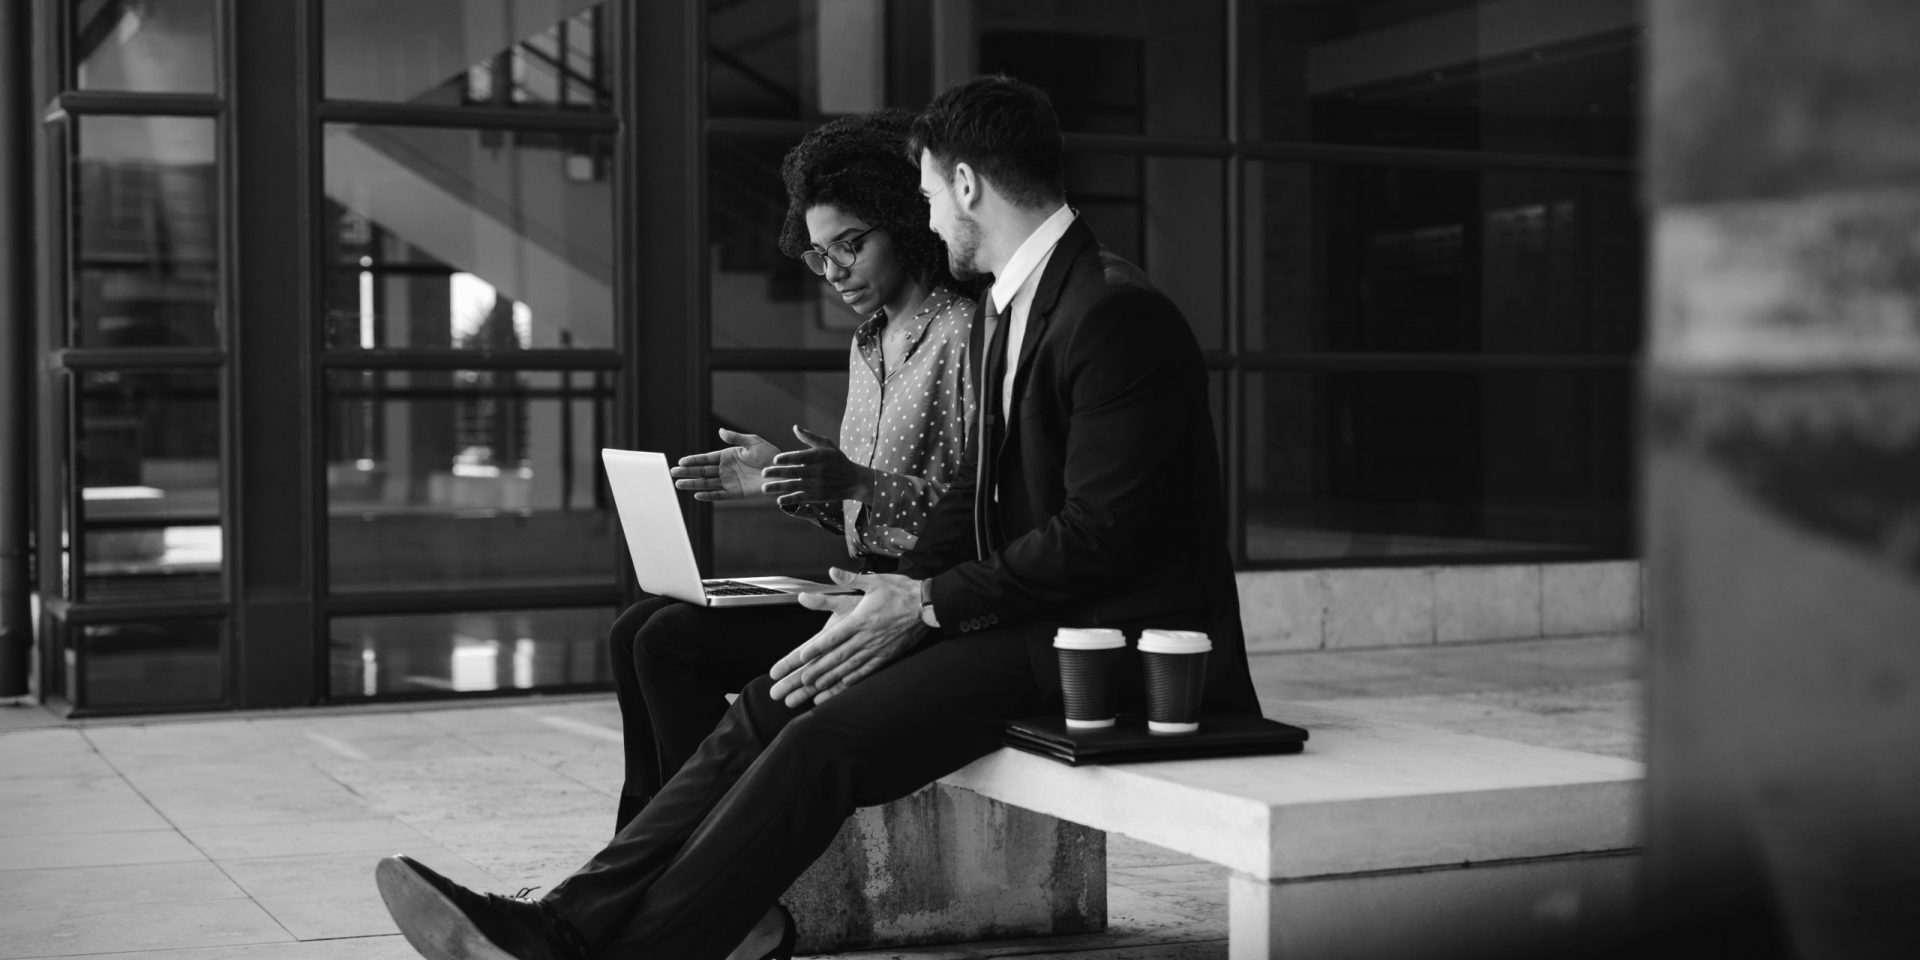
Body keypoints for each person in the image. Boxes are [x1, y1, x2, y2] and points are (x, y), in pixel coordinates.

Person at [373, 74, 1261, 960]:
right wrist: (889, 577)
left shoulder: (1111, 311)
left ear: (963, 186)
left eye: (920, 195)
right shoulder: (1015, 305)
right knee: (778, 695)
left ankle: (622, 949)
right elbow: (982, 503)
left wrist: (923, 603)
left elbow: (1103, 536)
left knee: (820, 736)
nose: (923, 215)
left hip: (1098, 647)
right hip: (1017, 615)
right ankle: (566, 921)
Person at [606, 108, 976, 831]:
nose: (833, 271)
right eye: (817, 254)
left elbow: (982, 511)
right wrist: (783, 478)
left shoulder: (962, 335)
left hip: (916, 606)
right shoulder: (868, 342)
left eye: (850, 246)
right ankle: (638, 850)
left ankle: (683, 861)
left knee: (668, 644)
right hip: (852, 584)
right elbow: (853, 492)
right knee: (635, 629)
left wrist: (859, 484)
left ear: (904, 222)